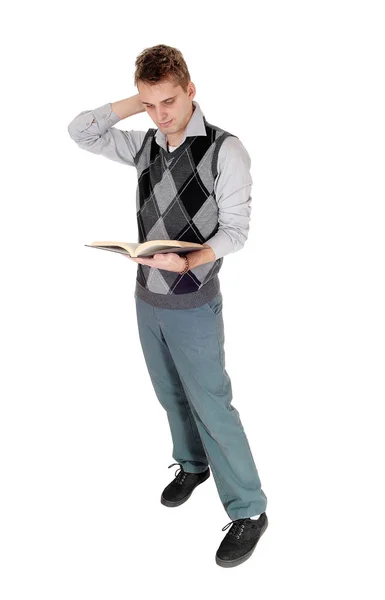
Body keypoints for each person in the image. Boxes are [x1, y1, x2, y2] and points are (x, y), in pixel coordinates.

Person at [68, 43, 268, 568]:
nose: (163, 114)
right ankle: (192, 465)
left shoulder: (226, 150)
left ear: (191, 90)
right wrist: (138, 103)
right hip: (146, 298)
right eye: (151, 104)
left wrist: (195, 258)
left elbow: (238, 231)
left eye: (170, 101)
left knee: (212, 404)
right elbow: (80, 131)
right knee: (168, 393)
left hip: (194, 300)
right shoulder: (145, 145)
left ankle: (249, 509)